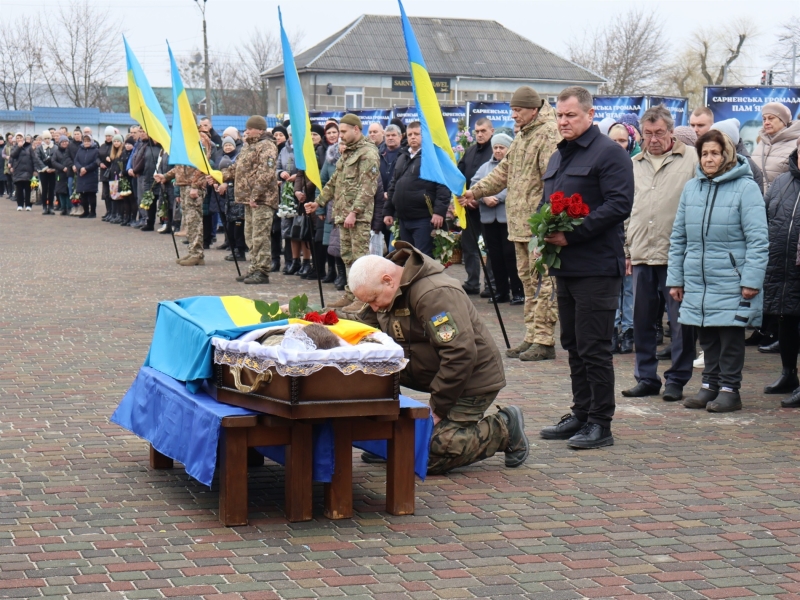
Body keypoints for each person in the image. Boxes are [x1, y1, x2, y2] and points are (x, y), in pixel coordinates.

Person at [346, 244, 529, 474]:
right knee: (368, 366)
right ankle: (394, 439)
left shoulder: (434, 294)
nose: (373, 307)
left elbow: (459, 354)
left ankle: (502, 428)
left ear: (388, 280)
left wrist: (438, 410)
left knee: (428, 455)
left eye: (373, 300)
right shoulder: (387, 289)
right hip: (433, 373)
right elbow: (367, 332)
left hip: (471, 381)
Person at [537, 86, 633, 449]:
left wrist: (572, 235)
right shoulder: (559, 156)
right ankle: (581, 412)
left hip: (596, 266)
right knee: (573, 344)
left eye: (571, 115)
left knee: (594, 346)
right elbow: (548, 204)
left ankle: (600, 423)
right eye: (559, 115)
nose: (563, 121)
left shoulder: (609, 153)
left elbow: (619, 205)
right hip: (567, 266)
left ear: (590, 115)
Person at [667, 129, 768, 412]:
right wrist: (676, 278)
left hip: (731, 278)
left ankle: (730, 390)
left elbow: (758, 239)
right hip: (699, 277)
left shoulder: (746, 188)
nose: (709, 159)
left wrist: (751, 279)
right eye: (704, 154)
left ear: (726, 154)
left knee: (730, 336)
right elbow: (679, 237)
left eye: (714, 153)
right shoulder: (692, 187)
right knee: (707, 333)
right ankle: (709, 385)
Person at [463, 87, 561, 362]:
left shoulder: (548, 133)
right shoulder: (524, 134)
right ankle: (531, 336)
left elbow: (551, 181)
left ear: (533, 109)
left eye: (518, 110)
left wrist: (547, 222)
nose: (514, 115)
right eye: (513, 110)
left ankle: (544, 339)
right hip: (518, 226)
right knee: (528, 283)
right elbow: (504, 171)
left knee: (544, 283)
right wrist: (476, 191)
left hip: (537, 226)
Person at [621, 105, 699, 402]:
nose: (653, 139)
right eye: (648, 133)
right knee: (641, 320)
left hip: (677, 255)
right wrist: (626, 249)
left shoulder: (690, 159)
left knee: (680, 323)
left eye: (659, 133)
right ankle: (646, 377)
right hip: (641, 253)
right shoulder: (633, 163)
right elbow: (627, 210)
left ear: (670, 131)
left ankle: (677, 378)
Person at [303, 113, 380, 312]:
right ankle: (350, 293)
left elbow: (368, 188)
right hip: (342, 214)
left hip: (358, 217)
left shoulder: (367, 153)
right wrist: (317, 202)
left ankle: (363, 298)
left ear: (356, 129)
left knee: (360, 258)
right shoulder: (347, 153)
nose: (340, 136)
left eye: (344, 132)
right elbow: (334, 181)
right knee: (347, 257)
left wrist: (354, 212)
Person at [217, 115, 280, 284]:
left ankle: (262, 271)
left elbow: (265, 173)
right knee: (250, 236)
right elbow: (236, 169)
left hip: (262, 200)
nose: (247, 131)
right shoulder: (248, 147)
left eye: (250, 128)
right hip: (248, 200)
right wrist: (218, 177)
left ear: (259, 129)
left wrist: (255, 195)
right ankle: (254, 267)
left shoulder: (267, 146)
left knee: (260, 236)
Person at [761, 142, 800, 407]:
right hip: (781, 264)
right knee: (785, 319)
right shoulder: (781, 181)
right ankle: (788, 374)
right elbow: (765, 217)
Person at [470, 132, 524, 305]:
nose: (498, 150)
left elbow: (516, 185)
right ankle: (501, 291)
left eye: (502, 147)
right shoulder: (485, 167)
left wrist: (498, 198)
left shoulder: (514, 165)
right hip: (488, 219)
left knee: (510, 255)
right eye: (496, 147)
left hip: (506, 218)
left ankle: (517, 291)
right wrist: (483, 198)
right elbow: (474, 185)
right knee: (494, 256)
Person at [384, 121, 449, 257]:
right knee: (408, 257)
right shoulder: (402, 157)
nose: (413, 137)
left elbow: (442, 185)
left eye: (417, 134)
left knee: (422, 257)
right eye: (410, 134)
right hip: (403, 218)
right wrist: (388, 211)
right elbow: (393, 185)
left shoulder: (432, 157)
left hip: (423, 219)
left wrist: (439, 212)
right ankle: (411, 279)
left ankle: (423, 279)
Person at [606, 123, 640, 354]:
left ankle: (628, 330)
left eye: (622, 141)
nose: (618, 145)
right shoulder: (603, 165)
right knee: (612, 290)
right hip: (609, 237)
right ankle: (613, 330)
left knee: (628, 289)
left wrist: (628, 247)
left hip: (631, 235)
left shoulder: (635, 166)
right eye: (614, 141)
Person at [156, 134, 211, 266]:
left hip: (193, 187)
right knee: (188, 221)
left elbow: (202, 164)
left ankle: (197, 254)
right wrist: (166, 176)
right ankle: (193, 251)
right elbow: (181, 166)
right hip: (184, 185)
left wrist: (196, 186)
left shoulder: (199, 138)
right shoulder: (184, 139)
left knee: (194, 221)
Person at [457, 117, 495, 296]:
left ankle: (491, 285)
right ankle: (472, 282)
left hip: (489, 207)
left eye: (483, 131)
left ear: (492, 131)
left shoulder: (496, 152)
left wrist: (477, 198)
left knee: (490, 247)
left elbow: (498, 180)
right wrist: (464, 197)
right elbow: (460, 175)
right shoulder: (470, 151)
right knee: (469, 246)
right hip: (469, 207)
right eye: (477, 131)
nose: (479, 134)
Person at [751, 103, 800, 194]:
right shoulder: (761, 143)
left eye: (771, 118)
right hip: (757, 201)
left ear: (783, 121)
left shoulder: (796, 144)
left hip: (782, 203)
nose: (766, 122)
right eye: (764, 119)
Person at [73, 133, 100, 218]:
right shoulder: (80, 149)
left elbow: (96, 162)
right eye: (85, 141)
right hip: (81, 175)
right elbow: (76, 160)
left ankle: (93, 212)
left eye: (88, 141)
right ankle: (85, 211)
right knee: (83, 194)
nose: (86, 143)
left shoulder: (95, 150)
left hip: (91, 174)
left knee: (91, 194)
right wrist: (80, 168)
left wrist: (86, 169)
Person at [10, 132, 36, 211]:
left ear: (23, 138)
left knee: (28, 189)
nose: (19, 139)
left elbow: (34, 158)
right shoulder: (14, 147)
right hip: (18, 170)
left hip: (28, 170)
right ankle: (20, 205)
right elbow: (13, 155)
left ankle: (28, 205)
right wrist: (18, 147)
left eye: (20, 138)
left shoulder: (29, 147)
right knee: (19, 189)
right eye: (17, 138)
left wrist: (35, 170)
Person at [35, 131, 57, 215]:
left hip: (53, 171)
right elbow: (37, 159)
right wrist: (45, 168)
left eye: (48, 138)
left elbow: (56, 158)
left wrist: (53, 168)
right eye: (45, 138)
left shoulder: (55, 147)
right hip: (43, 171)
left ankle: (51, 206)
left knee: (51, 189)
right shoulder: (39, 148)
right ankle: (44, 207)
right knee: (44, 189)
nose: (47, 140)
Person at [50, 136, 73, 216]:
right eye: (62, 142)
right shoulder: (57, 152)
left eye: (66, 141)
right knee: (61, 191)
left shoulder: (70, 150)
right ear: (60, 143)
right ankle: (63, 208)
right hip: (60, 173)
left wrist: (69, 167)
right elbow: (53, 161)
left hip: (70, 173)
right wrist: (62, 168)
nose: (64, 143)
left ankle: (69, 208)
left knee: (69, 191)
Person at [98, 126, 115, 221]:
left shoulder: (115, 146)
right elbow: (97, 157)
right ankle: (108, 211)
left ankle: (113, 212)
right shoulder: (102, 146)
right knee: (105, 193)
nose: (108, 137)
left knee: (112, 193)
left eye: (110, 135)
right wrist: (100, 163)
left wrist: (110, 159)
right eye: (107, 135)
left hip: (112, 173)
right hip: (104, 173)